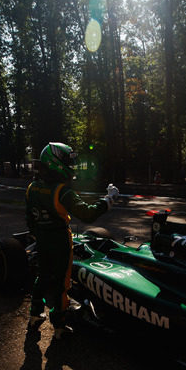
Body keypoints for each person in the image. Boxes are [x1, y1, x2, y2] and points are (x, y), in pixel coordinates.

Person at [25, 142, 119, 339]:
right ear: (55, 162)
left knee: (42, 276)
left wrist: (38, 233)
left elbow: (29, 219)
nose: (72, 166)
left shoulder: (32, 187)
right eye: (68, 161)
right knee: (61, 283)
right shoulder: (62, 191)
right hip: (60, 240)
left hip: (41, 238)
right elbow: (87, 214)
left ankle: (34, 314)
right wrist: (109, 199)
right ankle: (59, 325)